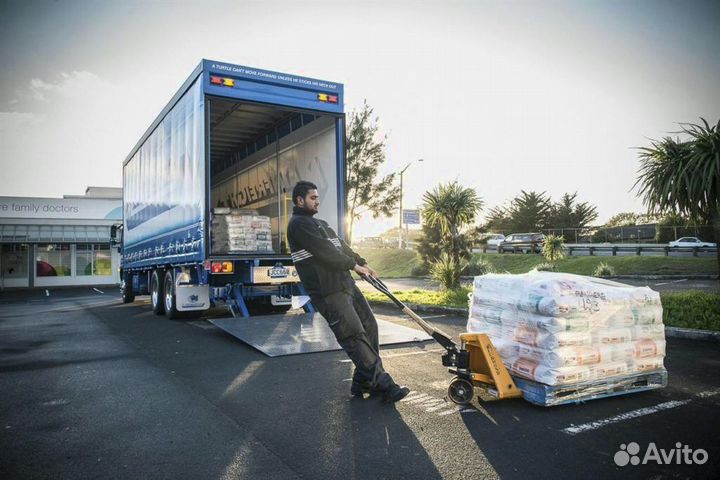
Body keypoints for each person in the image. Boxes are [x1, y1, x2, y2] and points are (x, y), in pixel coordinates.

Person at [287, 180, 410, 403]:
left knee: (369, 326)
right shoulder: (297, 225)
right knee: (353, 335)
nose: (317, 201)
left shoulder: (322, 224)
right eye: (313, 198)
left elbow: (342, 248)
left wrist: (363, 263)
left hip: (346, 286)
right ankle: (383, 384)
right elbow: (325, 252)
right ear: (299, 200)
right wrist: (354, 266)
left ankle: (363, 381)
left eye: (317, 197)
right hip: (328, 292)